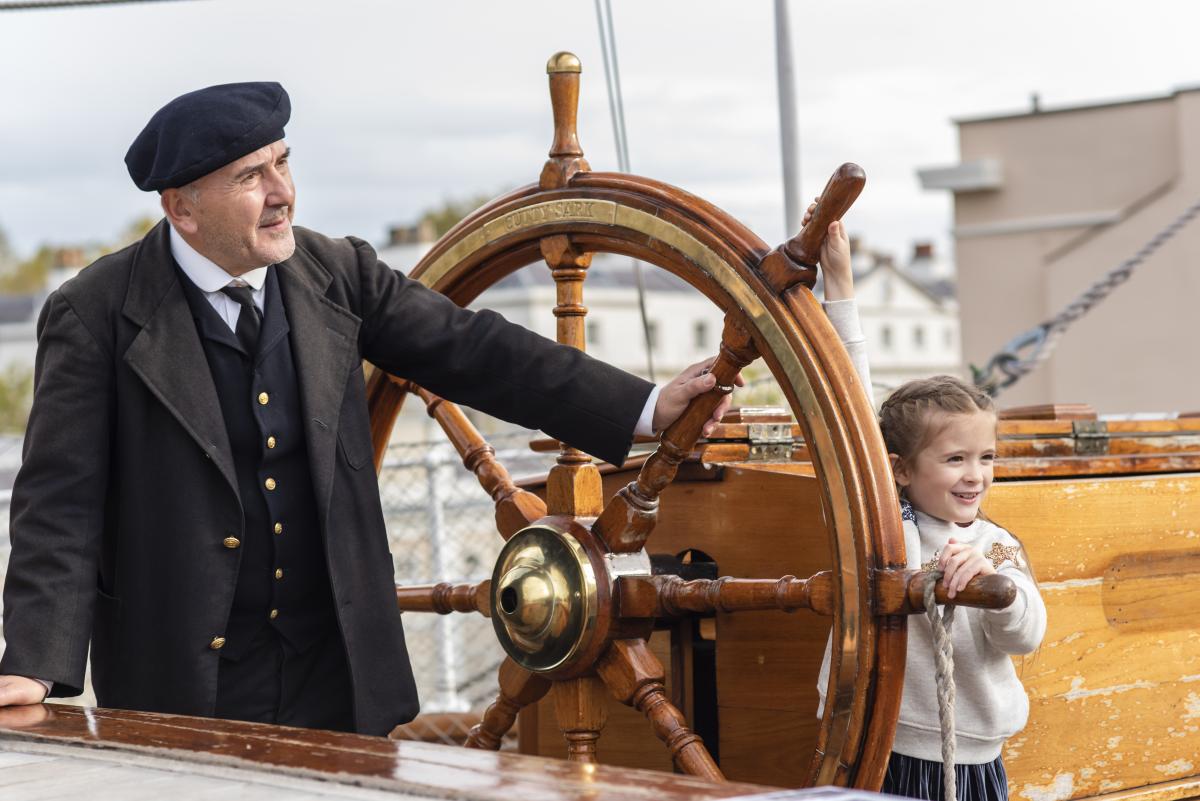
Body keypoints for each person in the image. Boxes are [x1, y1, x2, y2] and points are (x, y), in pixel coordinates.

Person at [0, 82, 737, 735]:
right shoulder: (93, 312)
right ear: (182, 208)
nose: (283, 190)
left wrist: (644, 403)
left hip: (340, 672)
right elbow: (60, 503)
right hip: (186, 682)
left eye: (283, 161)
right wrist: (33, 663)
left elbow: (478, 351)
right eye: (251, 175)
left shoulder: (338, 272)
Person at [809, 204, 1047, 800]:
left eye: (986, 458)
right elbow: (853, 408)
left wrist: (1000, 591)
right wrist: (839, 283)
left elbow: (1026, 636)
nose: (976, 476)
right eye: (955, 459)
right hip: (875, 740)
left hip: (965, 760)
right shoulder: (887, 523)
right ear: (901, 470)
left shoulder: (995, 545)